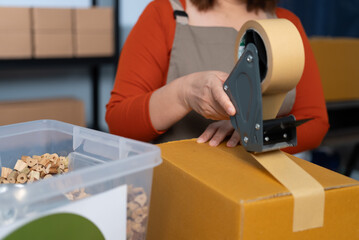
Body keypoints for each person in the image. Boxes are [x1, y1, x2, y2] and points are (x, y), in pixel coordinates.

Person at [106, 0, 329, 154]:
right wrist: (183, 93)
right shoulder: (163, 14)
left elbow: (315, 121)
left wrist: (254, 133)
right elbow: (119, 123)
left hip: (262, 191)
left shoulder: (286, 24)